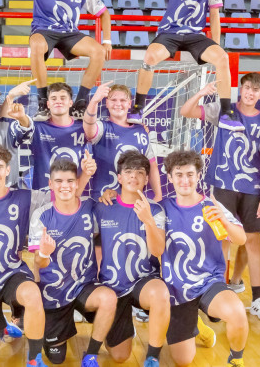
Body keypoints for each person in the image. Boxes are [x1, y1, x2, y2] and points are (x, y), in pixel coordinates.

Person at [0, 143, 98, 367]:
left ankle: (34, 359)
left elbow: (65, 193)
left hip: (12, 273)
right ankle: (4, 323)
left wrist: (84, 175)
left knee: (32, 293)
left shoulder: (28, 198)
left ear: (8, 169)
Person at [180, 74, 260, 322]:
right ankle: (218, 294)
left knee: (252, 242)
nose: (251, 93)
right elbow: (186, 111)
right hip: (222, 186)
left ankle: (256, 299)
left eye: (256, 90)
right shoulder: (224, 110)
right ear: (239, 90)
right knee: (223, 241)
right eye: (247, 88)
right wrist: (202, 93)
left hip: (252, 190)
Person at [130, 0, 240, 132]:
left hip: (195, 35)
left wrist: (216, 43)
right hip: (170, 32)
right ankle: (138, 109)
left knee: (223, 58)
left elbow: (214, 15)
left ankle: (226, 112)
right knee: (149, 57)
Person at [159, 150, 247, 367]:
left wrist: (226, 223)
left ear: (198, 176)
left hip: (209, 282)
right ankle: (197, 327)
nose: (185, 180)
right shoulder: (162, 207)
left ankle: (236, 360)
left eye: (190, 174)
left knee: (237, 314)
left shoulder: (211, 205)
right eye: (179, 175)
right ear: (169, 177)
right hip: (176, 289)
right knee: (183, 360)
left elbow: (242, 239)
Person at [6, 0, 112, 121]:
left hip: (70, 33)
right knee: (36, 45)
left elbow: (104, 13)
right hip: (44, 30)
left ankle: (80, 104)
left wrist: (107, 40)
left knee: (99, 51)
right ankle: (42, 103)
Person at [28, 159, 117, 367]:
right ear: (50, 184)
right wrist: (44, 252)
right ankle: (42, 325)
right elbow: (38, 264)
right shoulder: (41, 216)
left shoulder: (90, 207)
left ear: (77, 183)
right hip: (53, 292)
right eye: (58, 181)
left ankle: (91, 354)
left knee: (108, 298)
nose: (65, 186)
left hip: (84, 285)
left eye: (70, 180)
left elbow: (115, 212)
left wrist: (111, 194)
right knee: (57, 359)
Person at [93, 150, 170, 367]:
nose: (133, 177)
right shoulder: (102, 207)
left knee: (160, 293)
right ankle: (125, 325)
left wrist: (147, 221)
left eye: (139, 172)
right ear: (119, 177)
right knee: (119, 356)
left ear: (147, 179)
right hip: (113, 286)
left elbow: (157, 251)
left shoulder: (155, 210)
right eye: (128, 172)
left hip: (144, 283)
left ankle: (152, 357)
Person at [83, 83, 162, 201]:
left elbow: (152, 165)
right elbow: (89, 127)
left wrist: (158, 195)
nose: (118, 104)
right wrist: (94, 101)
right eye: (113, 100)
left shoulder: (141, 130)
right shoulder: (102, 127)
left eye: (123, 100)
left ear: (129, 103)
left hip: (133, 203)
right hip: (104, 201)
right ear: (107, 103)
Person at [29, 82, 90, 191]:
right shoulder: (37, 127)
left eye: (63, 98)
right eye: (54, 98)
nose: (58, 101)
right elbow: (24, 124)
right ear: (48, 104)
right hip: (43, 193)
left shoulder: (84, 127)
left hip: (74, 192)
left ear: (71, 103)